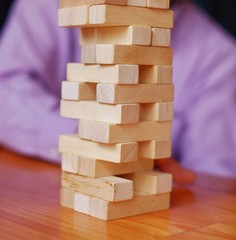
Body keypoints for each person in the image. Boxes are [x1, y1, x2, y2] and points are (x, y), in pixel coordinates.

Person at [0, 0, 235, 182]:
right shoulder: (47, 5)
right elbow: (5, 93)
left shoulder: (219, 56)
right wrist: (84, 138)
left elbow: (213, 175)